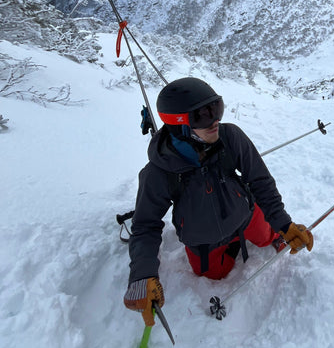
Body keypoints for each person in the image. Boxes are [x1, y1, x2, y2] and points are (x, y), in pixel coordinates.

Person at [124, 77, 314, 326]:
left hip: (246, 214)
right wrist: (143, 275)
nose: (215, 121)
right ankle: (232, 245)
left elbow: (260, 182)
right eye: (203, 116)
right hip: (204, 239)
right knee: (214, 275)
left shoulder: (230, 138)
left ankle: (263, 235)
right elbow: (145, 226)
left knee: (268, 236)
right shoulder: (158, 173)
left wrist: (283, 224)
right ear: (179, 124)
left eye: (217, 109)